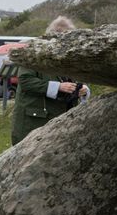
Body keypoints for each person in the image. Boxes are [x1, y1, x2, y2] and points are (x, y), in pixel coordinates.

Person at [10, 16, 90, 145]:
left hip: (64, 120)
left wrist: (84, 89)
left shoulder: (71, 56)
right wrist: (58, 87)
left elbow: (80, 79)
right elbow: (25, 81)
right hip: (34, 122)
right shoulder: (33, 54)